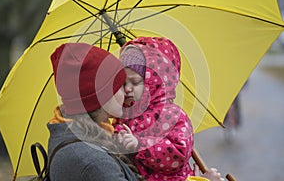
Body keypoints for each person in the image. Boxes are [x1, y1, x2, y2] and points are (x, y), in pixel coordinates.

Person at [113, 37, 224, 181]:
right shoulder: (127, 111)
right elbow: (115, 129)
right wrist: (119, 135)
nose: (127, 88)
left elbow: (177, 155)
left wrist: (139, 144)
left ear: (156, 82)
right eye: (124, 82)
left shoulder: (173, 116)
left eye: (135, 82)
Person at [47, 42, 143, 181]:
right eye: (120, 85)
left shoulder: (71, 132)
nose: (127, 91)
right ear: (102, 96)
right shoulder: (94, 162)